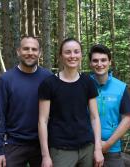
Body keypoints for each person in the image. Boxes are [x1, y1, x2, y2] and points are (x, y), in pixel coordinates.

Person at [38, 38, 104, 167]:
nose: (72, 56)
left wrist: (98, 149)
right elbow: (42, 121)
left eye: (76, 52)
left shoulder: (87, 82)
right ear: (61, 56)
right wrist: (45, 155)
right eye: (68, 52)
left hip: (87, 148)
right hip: (60, 149)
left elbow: (95, 117)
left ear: (81, 55)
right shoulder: (49, 84)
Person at [0, 36, 52, 167]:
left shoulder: (48, 78)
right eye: (26, 49)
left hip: (42, 145)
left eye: (34, 49)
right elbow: (0, 116)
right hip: (13, 145)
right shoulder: (6, 79)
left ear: (40, 53)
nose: (30, 53)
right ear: (18, 51)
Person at [89, 44, 130, 167]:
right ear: (90, 63)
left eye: (103, 60)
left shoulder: (121, 87)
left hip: (112, 150)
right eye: (95, 60)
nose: (99, 64)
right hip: (86, 148)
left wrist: (107, 144)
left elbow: (127, 119)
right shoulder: (84, 84)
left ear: (109, 62)